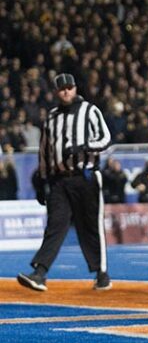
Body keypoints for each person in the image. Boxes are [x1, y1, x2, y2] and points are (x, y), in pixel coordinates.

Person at [17, 73, 113, 292]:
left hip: (85, 176)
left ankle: (101, 272)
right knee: (55, 225)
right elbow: (44, 151)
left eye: (69, 87)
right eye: (62, 89)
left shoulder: (90, 110)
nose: (66, 92)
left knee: (91, 226)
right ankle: (40, 273)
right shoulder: (51, 117)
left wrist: (83, 146)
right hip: (59, 180)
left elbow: (106, 139)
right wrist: (42, 181)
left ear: (75, 88)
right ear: (56, 92)